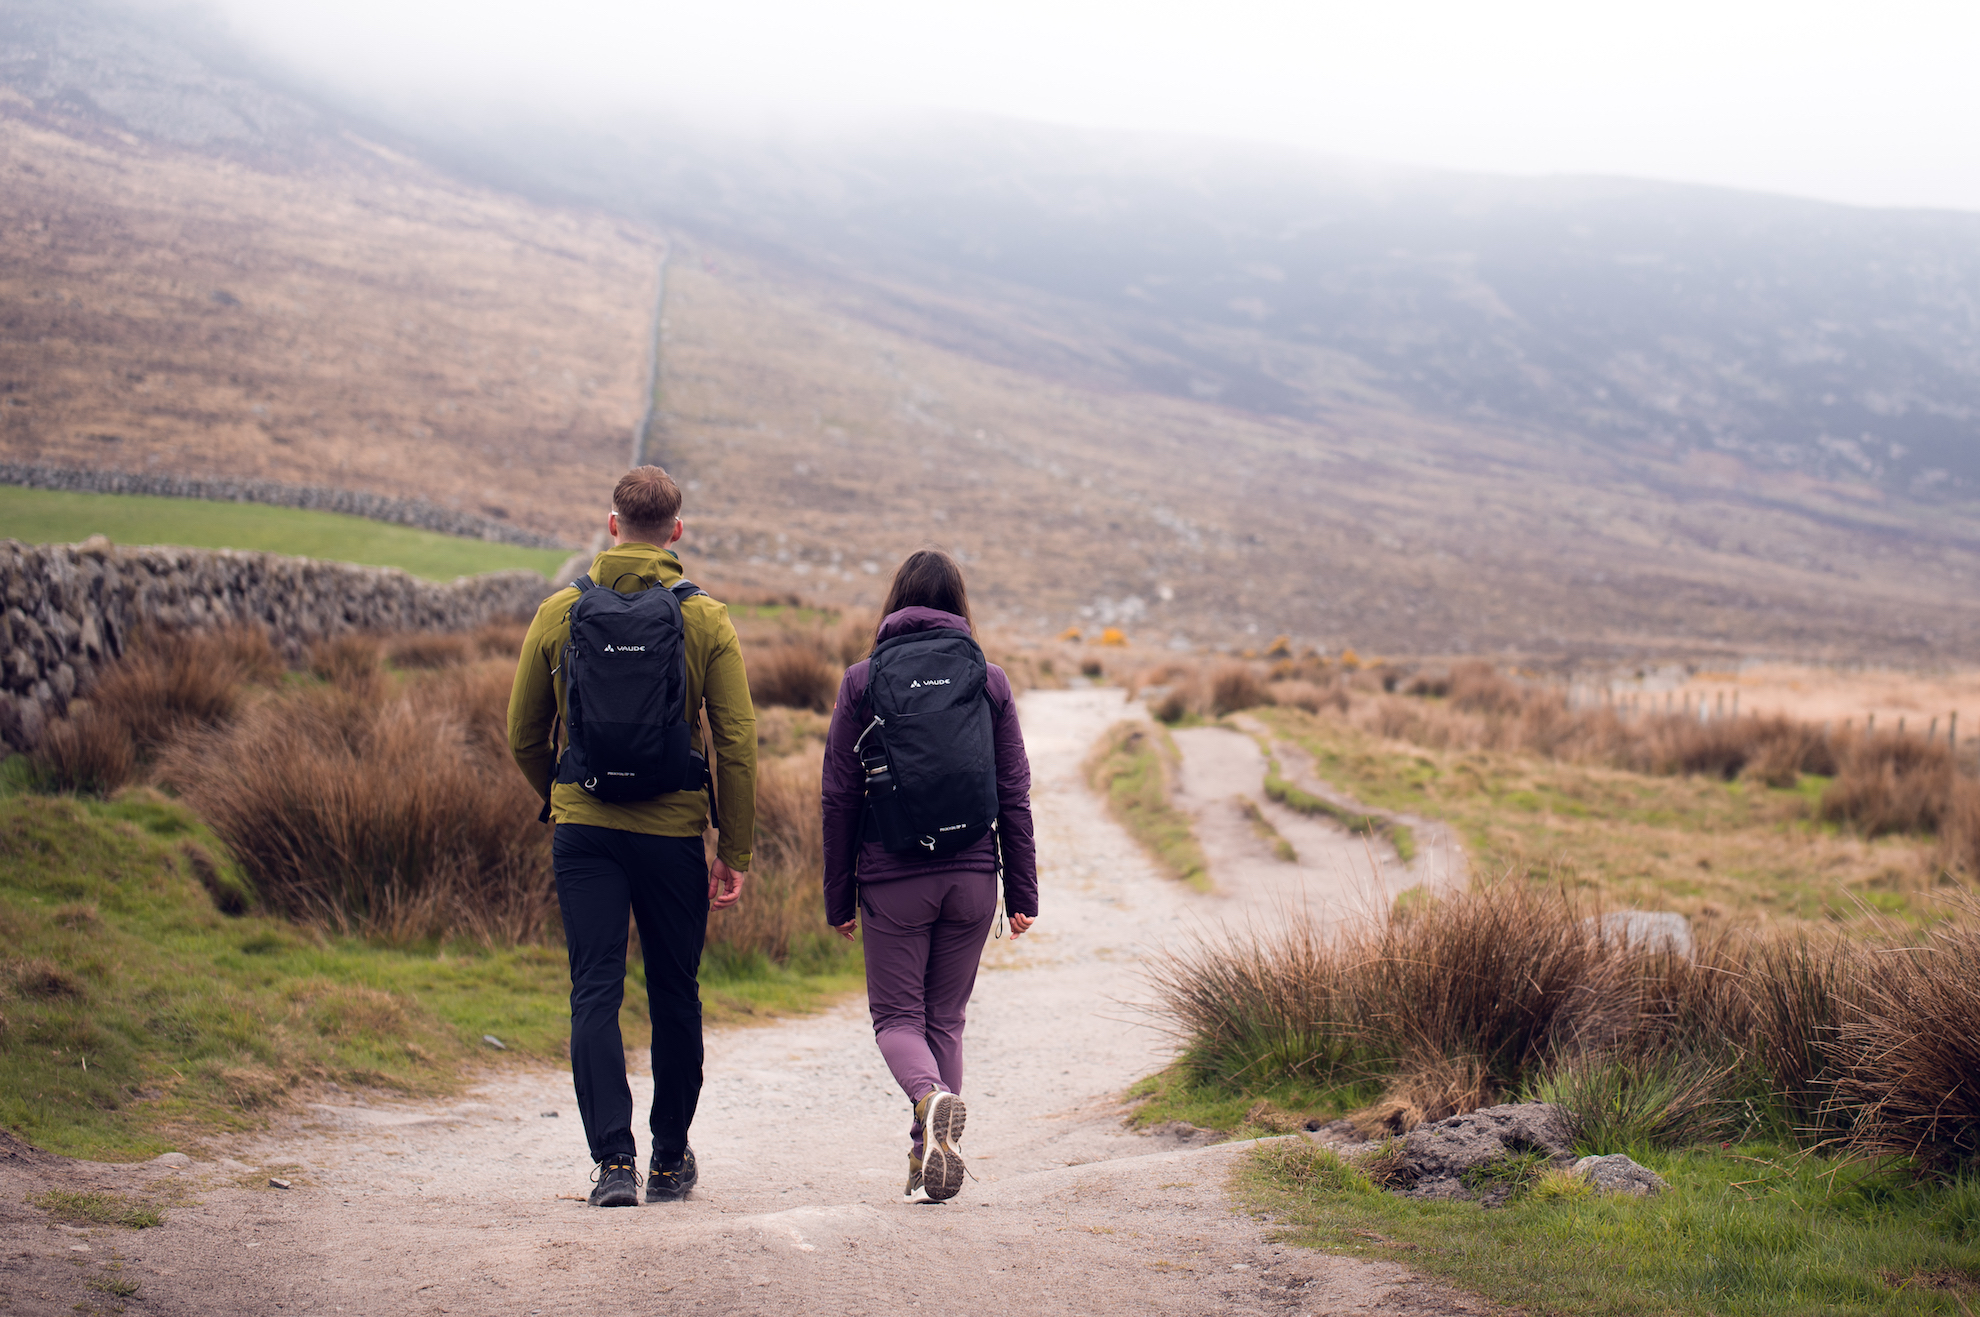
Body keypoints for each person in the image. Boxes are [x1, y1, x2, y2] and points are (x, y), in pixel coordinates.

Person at [507, 465, 756, 1207]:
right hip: (673, 832)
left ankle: (613, 1162)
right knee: (676, 992)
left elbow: (523, 733)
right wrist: (733, 848)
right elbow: (737, 742)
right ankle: (670, 1159)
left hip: (584, 830)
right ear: (675, 532)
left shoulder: (559, 610)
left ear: (612, 525)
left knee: (594, 991)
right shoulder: (705, 618)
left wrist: (562, 796)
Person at [820, 548, 1038, 1203]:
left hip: (893, 875)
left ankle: (929, 1099)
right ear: (958, 607)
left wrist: (839, 896)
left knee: (895, 1018)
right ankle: (928, 1158)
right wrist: (1023, 892)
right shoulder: (989, 679)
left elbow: (839, 793)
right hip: (974, 874)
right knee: (944, 1018)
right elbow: (1014, 790)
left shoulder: (863, 680)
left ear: (897, 602)